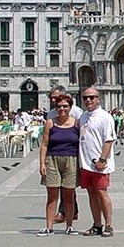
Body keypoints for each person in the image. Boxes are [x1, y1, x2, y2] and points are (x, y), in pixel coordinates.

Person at [37, 93, 80, 236]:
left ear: (70, 107)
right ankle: (49, 227)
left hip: (71, 160)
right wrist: (42, 163)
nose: (62, 109)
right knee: (52, 196)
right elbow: (44, 144)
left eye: (65, 106)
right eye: (59, 106)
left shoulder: (77, 123)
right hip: (52, 160)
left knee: (69, 195)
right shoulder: (50, 122)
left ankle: (69, 226)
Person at [78, 88, 117, 237]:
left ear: (98, 99)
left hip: (100, 164)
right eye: (86, 97)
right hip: (86, 163)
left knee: (102, 193)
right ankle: (97, 224)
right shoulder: (83, 116)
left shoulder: (105, 117)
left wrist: (102, 160)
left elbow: (109, 140)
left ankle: (109, 225)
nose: (88, 100)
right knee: (91, 193)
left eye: (92, 97)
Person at [46, 85, 83, 224]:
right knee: (61, 186)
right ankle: (70, 212)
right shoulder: (51, 114)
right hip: (55, 155)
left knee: (68, 186)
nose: (54, 101)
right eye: (52, 99)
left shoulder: (77, 112)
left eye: (56, 97)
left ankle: (65, 212)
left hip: (72, 154)